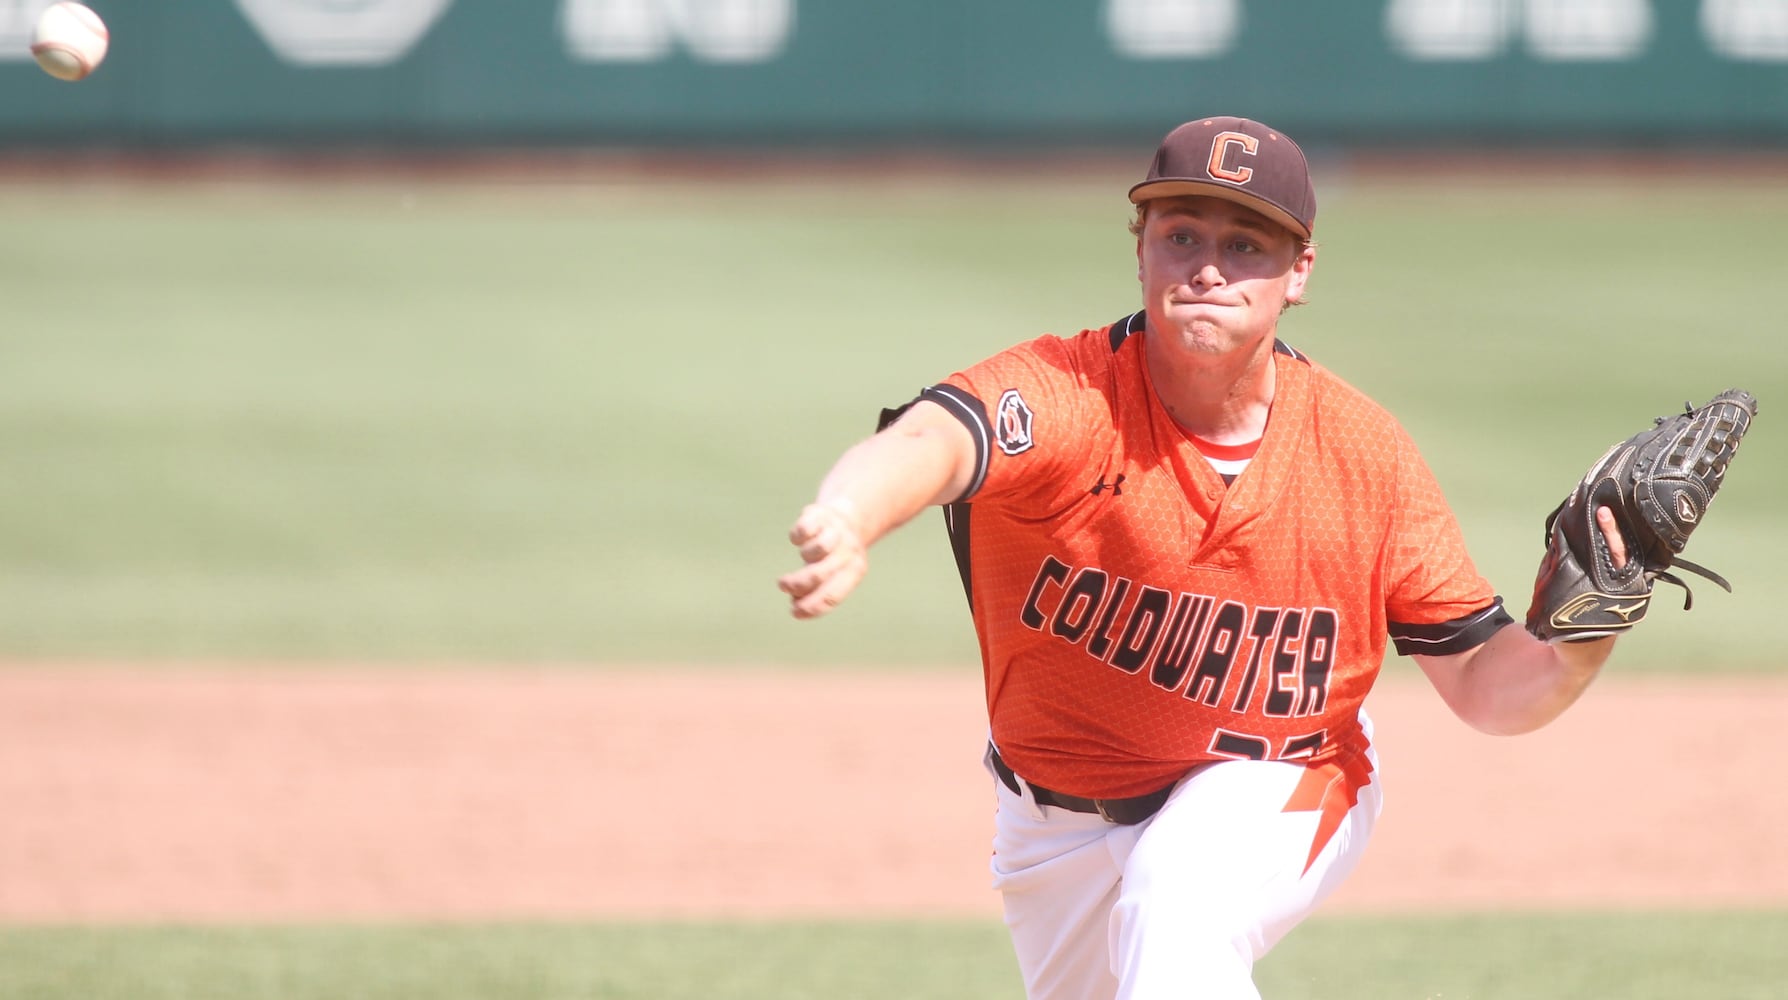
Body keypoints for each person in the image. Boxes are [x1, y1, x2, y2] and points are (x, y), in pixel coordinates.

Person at [777, 115, 1628, 1000]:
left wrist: (1585, 636)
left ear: (1300, 271)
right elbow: (934, 438)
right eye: (1181, 235)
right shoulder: (1070, 393)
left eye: (1245, 242)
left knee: (1174, 909)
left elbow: (1490, 688)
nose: (1209, 266)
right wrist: (850, 510)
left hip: (1288, 773)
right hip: (1051, 826)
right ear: (1139, 249)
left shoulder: (1362, 454)